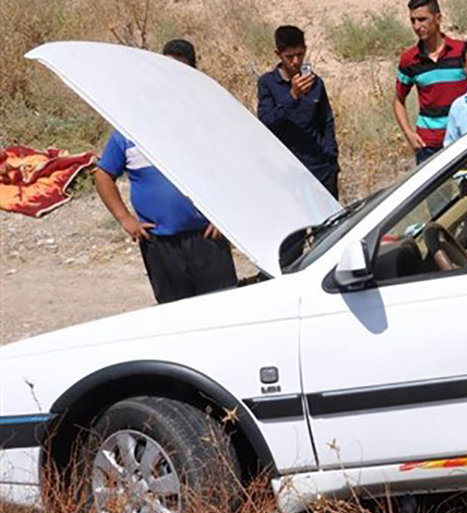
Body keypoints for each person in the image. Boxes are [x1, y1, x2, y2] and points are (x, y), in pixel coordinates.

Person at [94, 39, 237, 305]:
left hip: (206, 239)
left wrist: (225, 214)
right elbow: (103, 175)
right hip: (159, 245)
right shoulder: (130, 129)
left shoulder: (207, 122)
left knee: (223, 311)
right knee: (176, 317)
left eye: (181, 73)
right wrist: (125, 218)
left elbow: (234, 166)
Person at [257, 25, 340, 198]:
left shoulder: (315, 83)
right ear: (278, 54)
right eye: (290, 57)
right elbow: (266, 122)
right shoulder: (268, 84)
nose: (296, 61)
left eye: (300, 55)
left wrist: (331, 157)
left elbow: (326, 121)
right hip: (290, 174)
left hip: (322, 170)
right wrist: (292, 96)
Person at [393, 0, 467, 164]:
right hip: (428, 145)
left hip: (464, 140)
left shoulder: (462, 51)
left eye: (422, 19)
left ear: (438, 18)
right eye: (413, 20)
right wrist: (408, 134)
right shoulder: (409, 59)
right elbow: (399, 99)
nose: (416, 26)